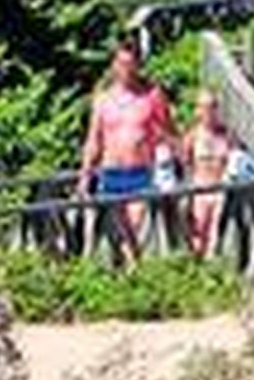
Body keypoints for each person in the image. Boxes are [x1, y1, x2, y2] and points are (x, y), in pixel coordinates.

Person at [79, 40, 180, 255]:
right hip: (110, 173)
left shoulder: (151, 97)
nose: (126, 69)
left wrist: (172, 164)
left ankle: (135, 276)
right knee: (117, 234)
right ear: (114, 66)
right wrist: (85, 175)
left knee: (135, 229)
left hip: (140, 173)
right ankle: (128, 276)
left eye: (131, 64)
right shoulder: (102, 100)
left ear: (138, 66)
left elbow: (171, 134)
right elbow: (93, 140)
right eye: (122, 64)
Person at [181, 88, 238, 257]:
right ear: (198, 110)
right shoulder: (192, 136)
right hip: (200, 188)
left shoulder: (227, 135)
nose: (209, 112)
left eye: (212, 107)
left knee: (215, 237)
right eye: (204, 107)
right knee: (198, 237)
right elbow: (185, 163)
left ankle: (214, 271)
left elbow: (238, 158)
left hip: (220, 188)